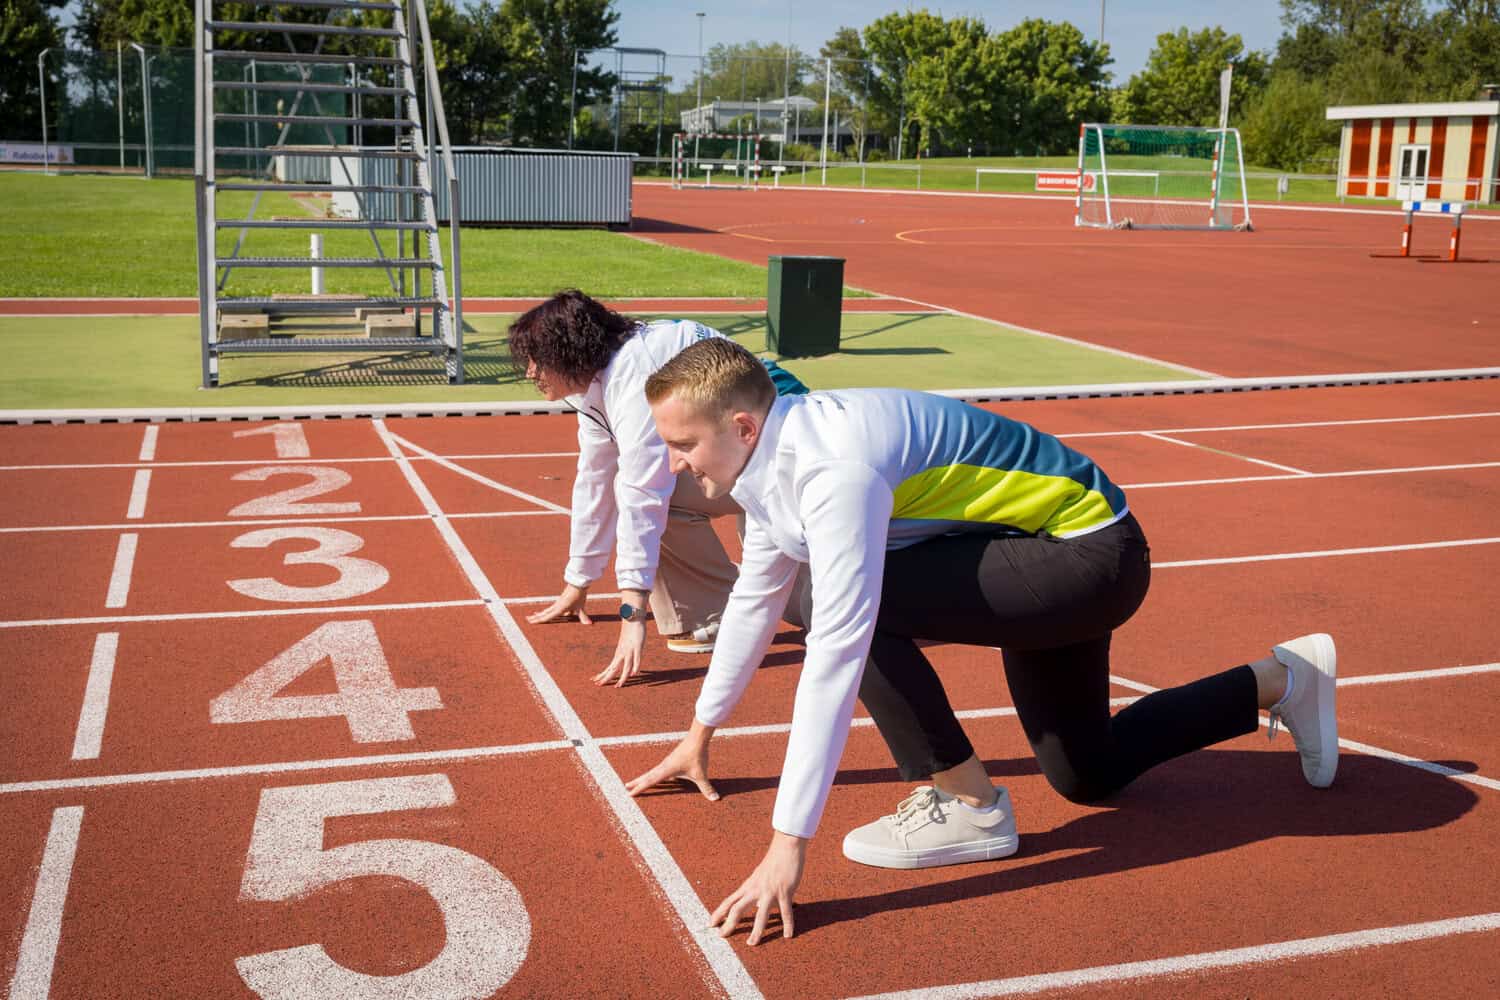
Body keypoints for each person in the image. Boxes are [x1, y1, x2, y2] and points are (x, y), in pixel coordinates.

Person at [626, 337, 1338, 946]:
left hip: (1087, 556)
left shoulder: (831, 469)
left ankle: (969, 805)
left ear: (743, 426)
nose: (674, 462)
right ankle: (1281, 679)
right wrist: (700, 732)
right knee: (1087, 773)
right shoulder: (769, 458)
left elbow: (840, 646)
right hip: (1029, 548)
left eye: (681, 443)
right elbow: (756, 596)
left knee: (840, 607)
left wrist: (787, 847)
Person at [509, 290, 806, 686]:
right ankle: (714, 610)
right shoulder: (598, 384)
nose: (530, 372)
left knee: (815, 611)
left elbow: (642, 496)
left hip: (786, 461)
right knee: (786, 601)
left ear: (570, 353)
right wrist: (578, 580)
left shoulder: (635, 378)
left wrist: (631, 614)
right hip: (743, 457)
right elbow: (594, 478)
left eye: (537, 359)